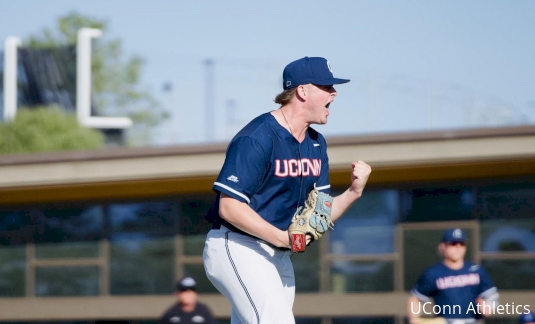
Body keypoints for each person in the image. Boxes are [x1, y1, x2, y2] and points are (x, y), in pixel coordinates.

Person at [202, 57, 372, 323]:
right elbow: (229, 206)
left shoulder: (316, 143)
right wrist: (284, 238)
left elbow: (321, 211)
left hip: (278, 256)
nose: (334, 93)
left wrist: (353, 192)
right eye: (326, 86)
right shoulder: (257, 137)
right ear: (302, 91)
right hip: (237, 246)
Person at [408, 228, 500, 324]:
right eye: (453, 243)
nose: (458, 247)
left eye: (462, 244)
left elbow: (492, 294)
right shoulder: (433, 273)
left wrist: (489, 306)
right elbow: (415, 298)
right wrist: (413, 319)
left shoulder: (477, 270)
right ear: (443, 246)